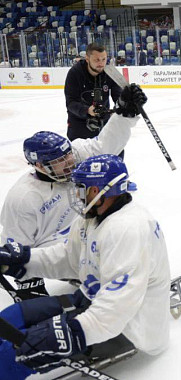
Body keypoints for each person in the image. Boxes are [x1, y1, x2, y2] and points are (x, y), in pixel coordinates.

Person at [0, 154, 171, 379]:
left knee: (8, 357)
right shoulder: (92, 217)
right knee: (10, 318)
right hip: (89, 301)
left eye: (83, 188)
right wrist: (23, 260)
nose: (77, 194)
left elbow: (117, 307)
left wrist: (73, 332)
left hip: (127, 326)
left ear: (101, 191)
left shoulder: (128, 229)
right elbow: (69, 258)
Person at [0, 85, 146, 301]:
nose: (70, 163)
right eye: (61, 162)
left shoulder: (73, 157)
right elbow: (16, 247)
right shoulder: (23, 199)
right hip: (55, 246)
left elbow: (104, 146)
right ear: (40, 165)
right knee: (97, 259)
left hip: (82, 228)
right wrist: (29, 289)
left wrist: (124, 112)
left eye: (68, 156)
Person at [64, 43, 122, 141]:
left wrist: (121, 107)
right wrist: (88, 110)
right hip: (79, 124)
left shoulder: (110, 72)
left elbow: (119, 97)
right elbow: (71, 103)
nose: (101, 63)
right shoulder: (75, 73)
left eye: (104, 59)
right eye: (97, 60)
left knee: (116, 152)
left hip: (103, 122)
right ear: (87, 59)